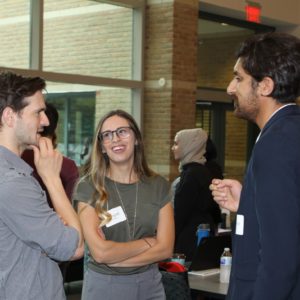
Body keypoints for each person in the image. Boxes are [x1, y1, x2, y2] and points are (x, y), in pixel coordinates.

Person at [210, 32, 300, 300]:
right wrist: (248, 202)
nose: (229, 87)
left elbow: (280, 258)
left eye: (238, 78)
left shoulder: (276, 144)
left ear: (265, 86)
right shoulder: (290, 131)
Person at [73, 109, 174, 300]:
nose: (116, 139)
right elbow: (101, 253)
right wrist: (148, 242)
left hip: (150, 286)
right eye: (107, 135)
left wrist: (115, 259)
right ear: (102, 146)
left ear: (136, 138)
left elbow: (166, 249)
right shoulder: (88, 187)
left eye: (122, 131)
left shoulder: (159, 186)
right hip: (105, 286)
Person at [0, 71, 84, 300]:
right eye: (38, 112)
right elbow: (75, 247)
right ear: (9, 117)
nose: (46, 121)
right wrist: (52, 179)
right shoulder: (13, 183)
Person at [171, 128, 221, 261]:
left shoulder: (191, 175)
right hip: (201, 234)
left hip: (189, 239)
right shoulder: (202, 171)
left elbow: (181, 214)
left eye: (176, 144)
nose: (173, 148)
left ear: (189, 146)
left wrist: (168, 240)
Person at [22, 103, 79, 208]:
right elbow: (71, 207)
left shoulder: (14, 158)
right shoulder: (67, 166)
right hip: (57, 221)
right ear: (55, 127)